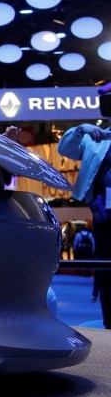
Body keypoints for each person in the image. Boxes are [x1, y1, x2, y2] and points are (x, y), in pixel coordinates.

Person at [59, 121, 111, 329]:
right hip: (104, 213)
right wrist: (80, 129)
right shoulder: (97, 138)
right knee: (107, 266)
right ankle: (110, 320)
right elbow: (65, 149)